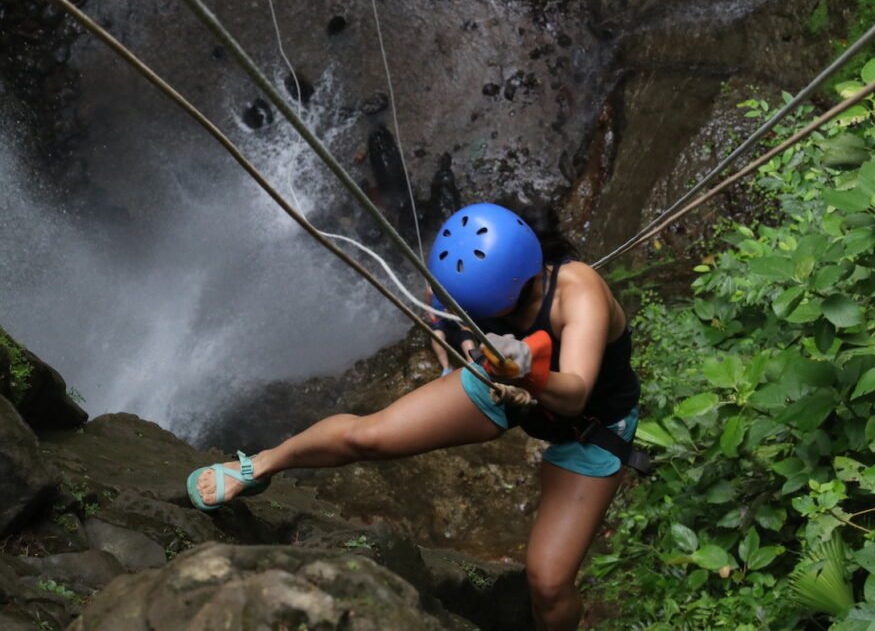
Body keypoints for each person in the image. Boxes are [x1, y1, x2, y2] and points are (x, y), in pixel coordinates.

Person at [186, 203, 642, 631]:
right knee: (368, 436)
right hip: (504, 378)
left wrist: (527, 374)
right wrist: (460, 338)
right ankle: (260, 465)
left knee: (548, 584)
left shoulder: (578, 293)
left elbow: (576, 393)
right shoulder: (481, 280)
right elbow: (443, 300)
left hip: (586, 426)